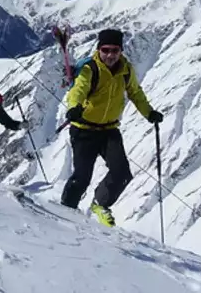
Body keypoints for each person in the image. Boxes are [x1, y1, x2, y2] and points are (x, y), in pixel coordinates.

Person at [59, 28, 164, 227]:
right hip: (84, 129)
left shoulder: (126, 69)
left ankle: (101, 203)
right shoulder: (90, 68)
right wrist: (74, 108)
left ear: (121, 51)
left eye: (115, 50)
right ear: (99, 49)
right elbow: (78, 90)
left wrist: (149, 112)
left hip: (109, 130)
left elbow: (135, 92)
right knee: (82, 177)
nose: (110, 55)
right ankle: (65, 209)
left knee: (122, 173)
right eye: (106, 50)